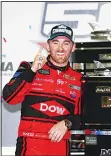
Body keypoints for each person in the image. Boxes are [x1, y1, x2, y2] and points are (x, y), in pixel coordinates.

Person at [2, 24, 83, 156]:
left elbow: (85, 116)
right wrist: (32, 71)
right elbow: (9, 98)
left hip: (59, 146)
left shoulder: (79, 79)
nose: (60, 48)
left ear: (73, 47)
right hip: (29, 145)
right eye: (55, 43)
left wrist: (67, 123)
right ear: (47, 45)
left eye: (66, 43)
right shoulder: (28, 67)